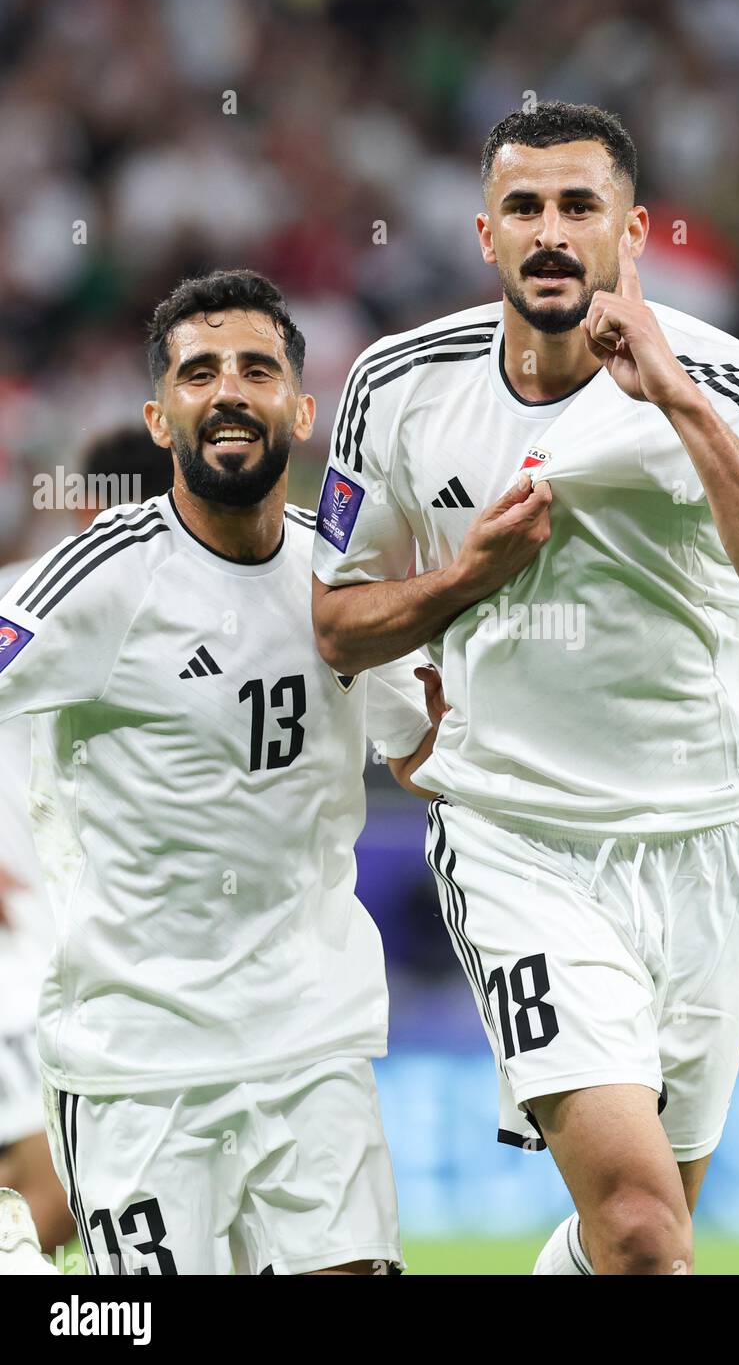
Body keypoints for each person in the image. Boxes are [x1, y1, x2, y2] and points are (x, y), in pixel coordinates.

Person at [311, 102, 739, 1275]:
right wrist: (464, 579)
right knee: (647, 1231)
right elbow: (339, 622)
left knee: (641, 1239)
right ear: (486, 234)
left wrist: (682, 406)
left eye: (578, 207)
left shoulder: (729, 384)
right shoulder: (398, 386)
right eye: (525, 208)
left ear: (633, 232)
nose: (552, 233)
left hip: (708, 844)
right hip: (520, 843)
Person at [0, 269, 435, 1275]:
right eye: (199, 372)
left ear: (300, 404)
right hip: (136, 1063)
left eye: (256, 367)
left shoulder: (347, 581)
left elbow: (429, 753)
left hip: (310, 1040)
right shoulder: (101, 579)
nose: (229, 388)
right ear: (162, 418)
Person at [0, 426, 173, 1265]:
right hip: (23, 961)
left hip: (107, 966)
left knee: (88, 1197)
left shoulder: (203, 622)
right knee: (58, 1195)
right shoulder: (27, 603)